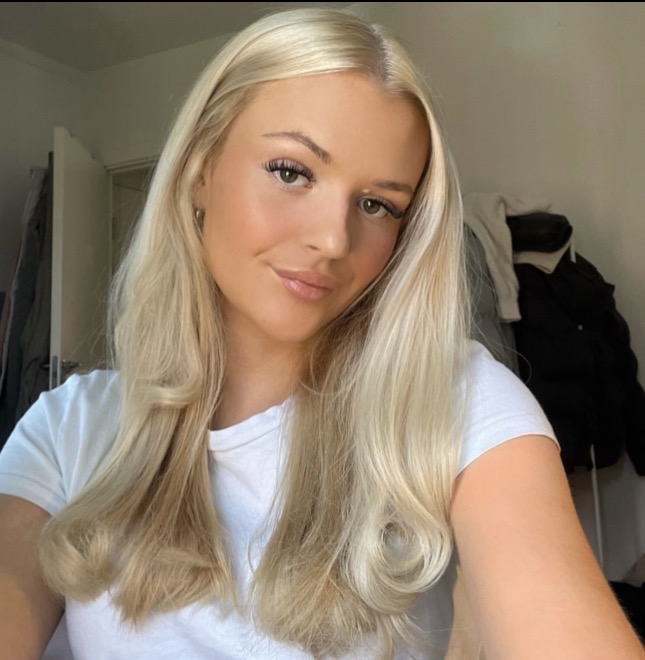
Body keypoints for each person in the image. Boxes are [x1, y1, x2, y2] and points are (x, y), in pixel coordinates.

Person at [0, 7, 642, 660]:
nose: (334, 240)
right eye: (291, 171)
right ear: (199, 172)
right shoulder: (68, 431)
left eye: (377, 205)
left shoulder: (459, 401)